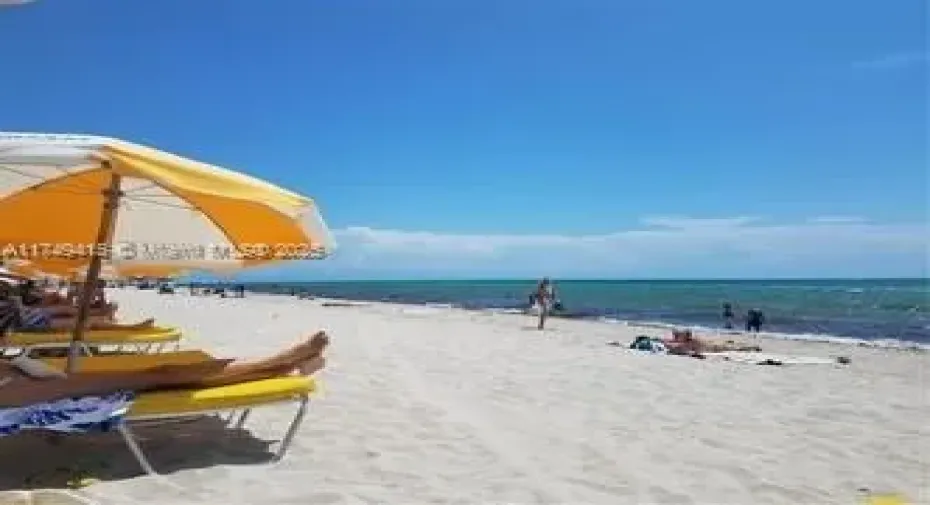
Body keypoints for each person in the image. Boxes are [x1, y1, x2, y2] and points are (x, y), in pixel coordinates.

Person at [0, 331, 329, 408]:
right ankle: (278, 363)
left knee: (162, 374)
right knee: (162, 375)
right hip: (20, 389)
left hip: (22, 380)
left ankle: (280, 365)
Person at [662, 328, 761, 357]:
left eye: (676, 335)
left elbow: (677, 348)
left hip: (714, 347)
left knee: (733, 348)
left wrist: (668, 344)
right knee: (730, 345)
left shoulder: (689, 342)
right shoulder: (685, 340)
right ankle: (748, 347)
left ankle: (751, 348)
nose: (674, 337)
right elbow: (673, 343)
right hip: (711, 344)